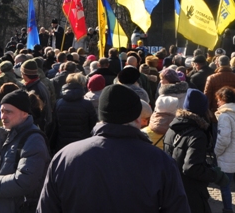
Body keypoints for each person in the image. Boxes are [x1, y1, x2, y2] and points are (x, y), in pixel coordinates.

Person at [38, 84, 190, 212]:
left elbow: (46, 208)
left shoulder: (65, 157)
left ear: (101, 117)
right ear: (138, 119)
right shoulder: (160, 161)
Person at [0, 89, 51, 213]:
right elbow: (5, 169)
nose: (3, 116)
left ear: (24, 113)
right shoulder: (10, 135)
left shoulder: (33, 139)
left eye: (8, 112)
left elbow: (25, 181)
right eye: (2, 111)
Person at [164, 88, 229, 213]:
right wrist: (215, 174)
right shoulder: (197, 135)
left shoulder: (172, 128)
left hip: (173, 189)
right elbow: (191, 168)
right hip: (191, 193)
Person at [214, 87, 235, 213]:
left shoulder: (225, 116)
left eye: (218, 100)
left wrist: (217, 152)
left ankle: (228, 209)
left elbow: (224, 139)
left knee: (225, 185)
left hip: (228, 155)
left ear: (224, 100)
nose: (217, 103)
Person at [51, 73, 98, 153]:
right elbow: (93, 126)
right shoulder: (87, 104)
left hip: (62, 145)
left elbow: (54, 127)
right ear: (82, 84)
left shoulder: (58, 103)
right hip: (83, 145)